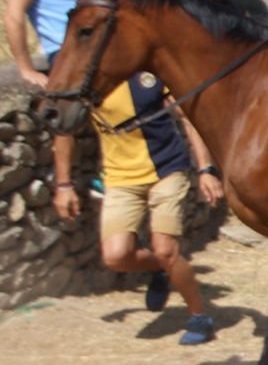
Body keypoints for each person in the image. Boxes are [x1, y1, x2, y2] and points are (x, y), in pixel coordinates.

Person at [51, 72, 224, 345]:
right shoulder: (85, 80)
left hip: (167, 171)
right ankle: (161, 268)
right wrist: (63, 185)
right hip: (120, 179)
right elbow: (64, 131)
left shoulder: (148, 75)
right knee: (116, 257)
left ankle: (199, 316)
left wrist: (206, 169)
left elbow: (188, 117)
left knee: (167, 249)